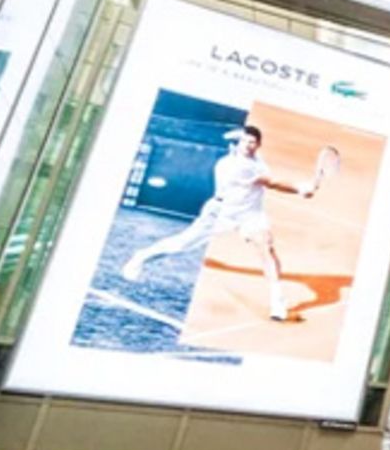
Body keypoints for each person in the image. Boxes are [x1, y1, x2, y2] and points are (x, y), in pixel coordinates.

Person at [119, 125, 334, 322]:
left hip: (250, 214)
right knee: (181, 245)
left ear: (258, 144)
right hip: (221, 213)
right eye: (244, 142)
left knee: (266, 248)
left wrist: (302, 187)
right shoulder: (237, 166)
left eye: (252, 142)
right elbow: (273, 183)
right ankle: (141, 256)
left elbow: (264, 171)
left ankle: (278, 302)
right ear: (237, 144)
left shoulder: (255, 159)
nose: (248, 145)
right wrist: (301, 189)